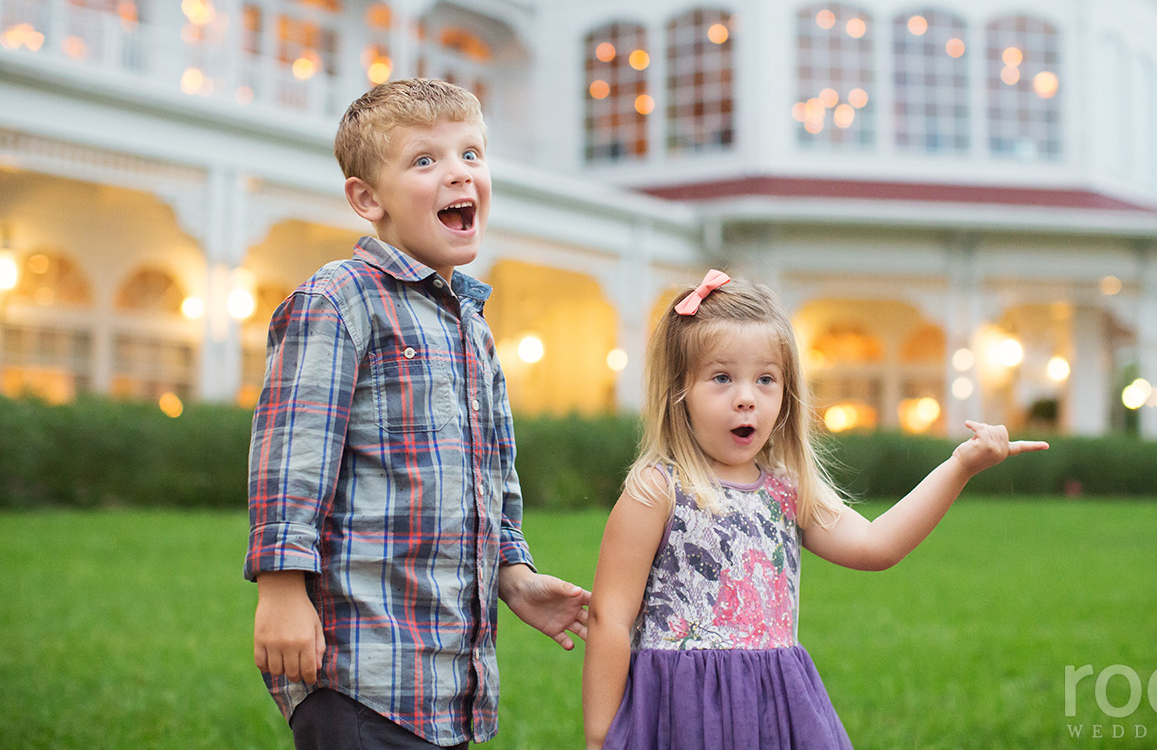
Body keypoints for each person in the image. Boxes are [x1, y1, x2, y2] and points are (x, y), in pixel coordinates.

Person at [244, 78, 590, 750]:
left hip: (446, 674)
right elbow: (293, 448)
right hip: (358, 666)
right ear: (366, 198)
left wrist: (513, 572)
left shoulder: (472, 324)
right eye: (425, 160)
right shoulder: (340, 300)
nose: (459, 171)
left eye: (471, 154)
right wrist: (281, 587)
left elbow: (494, 474)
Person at [581, 270, 1048, 749]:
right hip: (682, 712)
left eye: (766, 379)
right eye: (722, 378)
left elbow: (877, 544)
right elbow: (609, 618)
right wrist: (600, 737)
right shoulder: (656, 490)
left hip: (773, 709)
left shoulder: (787, 490)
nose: (746, 398)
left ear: (786, 395)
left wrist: (960, 467)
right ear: (679, 392)